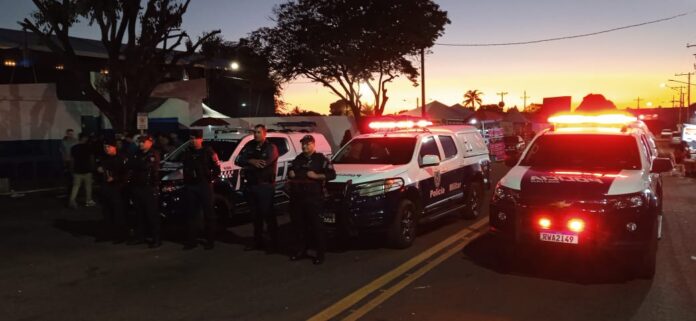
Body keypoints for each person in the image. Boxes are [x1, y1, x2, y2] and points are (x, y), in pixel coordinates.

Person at [288, 135, 336, 265]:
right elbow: (291, 171)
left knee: (317, 227)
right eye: (303, 144)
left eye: (307, 144)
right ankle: (301, 250)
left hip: (313, 198)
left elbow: (332, 175)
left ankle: (320, 254)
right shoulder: (298, 159)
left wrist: (317, 175)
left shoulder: (320, 159)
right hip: (298, 198)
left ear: (313, 145)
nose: (304, 146)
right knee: (299, 226)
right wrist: (290, 172)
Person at [235, 124, 279, 252]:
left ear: (264, 134)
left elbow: (263, 163)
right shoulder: (249, 146)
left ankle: (274, 244)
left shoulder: (271, 148)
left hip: (265, 186)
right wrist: (251, 161)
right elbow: (238, 160)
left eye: (259, 132)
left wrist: (248, 162)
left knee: (268, 216)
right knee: (255, 216)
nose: (256, 134)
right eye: (255, 132)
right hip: (251, 186)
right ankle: (257, 242)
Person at [181, 129, 220, 250]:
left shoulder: (208, 151)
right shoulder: (187, 152)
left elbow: (217, 169)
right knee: (191, 214)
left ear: (200, 139)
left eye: (195, 138)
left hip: (204, 186)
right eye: (191, 138)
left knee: (209, 214)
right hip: (191, 186)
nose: (192, 141)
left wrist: (209, 179)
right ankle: (192, 240)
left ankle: (210, 240)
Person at [125, 135, 162, 248]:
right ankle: (139, 237)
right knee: (138, 214)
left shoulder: (153, 154)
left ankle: (156, 238)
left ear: (149, 143)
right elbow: (128, 164)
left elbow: (145, 166)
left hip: (148, 188)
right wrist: (136, 164)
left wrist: (136, 164)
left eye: (143, 142)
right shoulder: (137, 153)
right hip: (136, 187)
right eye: (139, 142)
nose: (140, 144)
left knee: (151, 214)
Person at [96, 138, 127, 243]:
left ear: (114, 147)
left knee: (118, 213)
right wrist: (99, 170)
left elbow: (125, 173)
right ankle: (108, 234)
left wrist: (115, 178)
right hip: (106, 188)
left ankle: (120, 235)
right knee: (107, 212)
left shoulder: (121, 157)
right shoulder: (104, 158)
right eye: (105, 147)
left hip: (117, 189)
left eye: (108, 147)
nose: (106, 149)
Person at [69, 133, 96, 208]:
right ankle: (88, 201)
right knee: (88, 187)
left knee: (76, 186)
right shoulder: (89, 147)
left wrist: (71, 169)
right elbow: (92, 159)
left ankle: (72, 201)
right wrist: (93, 168)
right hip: (87, 170)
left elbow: (72, 160)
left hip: (77, 170)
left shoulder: (74, 148)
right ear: (85, 138)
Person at [59, 129, 77, 196]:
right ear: (67, 134)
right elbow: (62, 151)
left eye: (72, 134)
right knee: (68, 175)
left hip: (74, 160)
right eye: (69, 134)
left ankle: (73, 188)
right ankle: (69, 189)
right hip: (67, 160)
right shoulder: (64, 141)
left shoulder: (76, 141)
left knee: (73, 174)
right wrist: (64, 159)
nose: (71, 135)